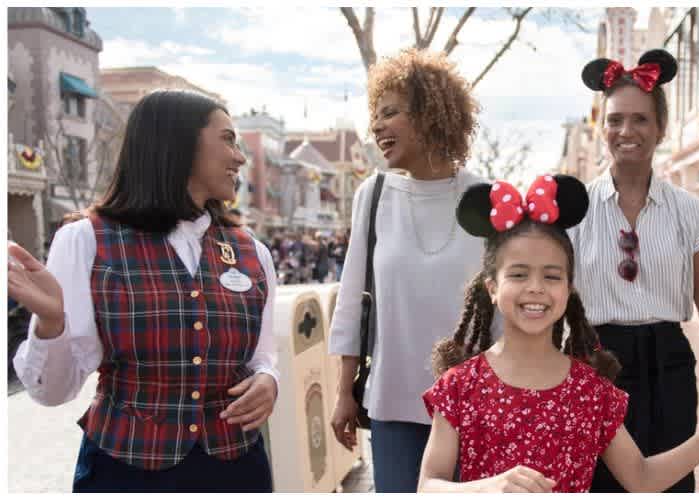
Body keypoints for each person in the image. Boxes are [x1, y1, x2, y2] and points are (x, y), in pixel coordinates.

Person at [417, 175, 699, 493]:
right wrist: (484, 489)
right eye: (519, 275)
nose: (536, 288)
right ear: (492, 287)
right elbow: (428, 486)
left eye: (552, 276)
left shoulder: (591, 391)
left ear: (570, 288)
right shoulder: (461, 385)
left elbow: (642, 479)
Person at [8, 89, 280, 492]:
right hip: (126, 471)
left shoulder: (252, 250)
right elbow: (52, 392)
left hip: (237, 469)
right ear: (179, 143)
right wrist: (51, 323)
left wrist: (268, 380)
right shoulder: (86, 240)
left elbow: (263, 357)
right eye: (227, 139)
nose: (239, 156)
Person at [328, 48, 494, 493]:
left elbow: (507, 307)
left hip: (477, 408)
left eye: (390, 113)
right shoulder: (374, 194)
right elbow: (351, 302)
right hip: (392, 404)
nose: (377, 126)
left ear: (430, 112)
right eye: (374, 116)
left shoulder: (486, 198)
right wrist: (345, 392)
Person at [569, 49, 699, 492]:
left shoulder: (689, 210)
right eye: (615, 119)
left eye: (641, 119)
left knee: (673, 482)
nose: (627, 131)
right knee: (601, 483)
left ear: (661, 128)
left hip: (669, 362)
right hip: (595, 361)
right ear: (602, 128)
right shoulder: (574, 212)